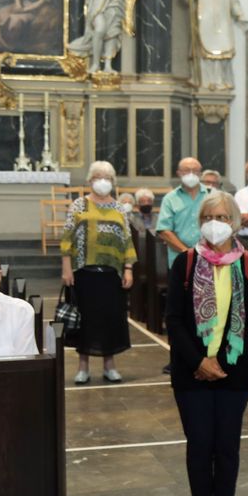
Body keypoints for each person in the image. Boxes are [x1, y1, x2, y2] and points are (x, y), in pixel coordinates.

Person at [166, 192, 248, 496]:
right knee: (200, 442)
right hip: (191, 372)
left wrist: (222, 362)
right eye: (211, 216)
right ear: (200, 222)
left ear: (235, 222)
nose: (218, 223)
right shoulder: (186, 262)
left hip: (234, 373)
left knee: (227, 443)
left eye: (224, 217)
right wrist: (199, 360)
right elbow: (174, 321)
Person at [61, 161, 136, 384]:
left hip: (111, 274)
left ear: (113, 182)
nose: (102, 181)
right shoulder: (79, 205)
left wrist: (128, 269)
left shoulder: (119, 208)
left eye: (106, 177)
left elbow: (127, 240)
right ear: (90, 180)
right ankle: (82, 366)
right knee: (85, 319)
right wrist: (66, 267)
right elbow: (67, 238)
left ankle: (109, 365)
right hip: (83, 271)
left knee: (110, 319)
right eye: (97, 176)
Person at [158, 157, 209, 265]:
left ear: (200, 174)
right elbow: (164, 230)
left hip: (210, 259)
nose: (191, 174)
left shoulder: (212, 195)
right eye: (186, 170)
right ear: (178, 173)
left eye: (195, 171)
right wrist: (187, 252)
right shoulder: (170, 198)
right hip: (179, 259)